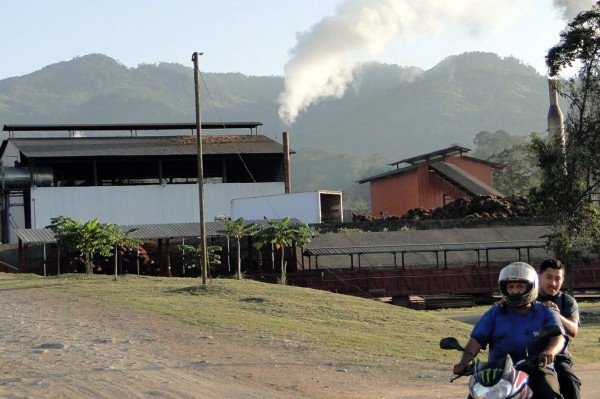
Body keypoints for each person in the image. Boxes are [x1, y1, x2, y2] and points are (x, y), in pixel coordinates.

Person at [453, 262, 565, 399]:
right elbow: (475, 341)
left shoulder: (546, 311)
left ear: (532, 286)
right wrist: (463, 362)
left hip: (537, 368)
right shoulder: (495, 313)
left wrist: (549, 351)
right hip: (498, 372)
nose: (515, 290)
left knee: (549, 393)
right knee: (475, 395)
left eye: (520, 286)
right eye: (511, 287)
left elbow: (558, 337)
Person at [538, 258, 582, 399]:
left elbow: (573, 330)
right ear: (539, 277)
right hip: (529, 353)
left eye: (558, 279)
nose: (553, 283)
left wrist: (557, 315)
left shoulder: (567, 301)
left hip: (559, 356)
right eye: (549, 277)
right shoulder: (529, 298)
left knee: (570, 382)